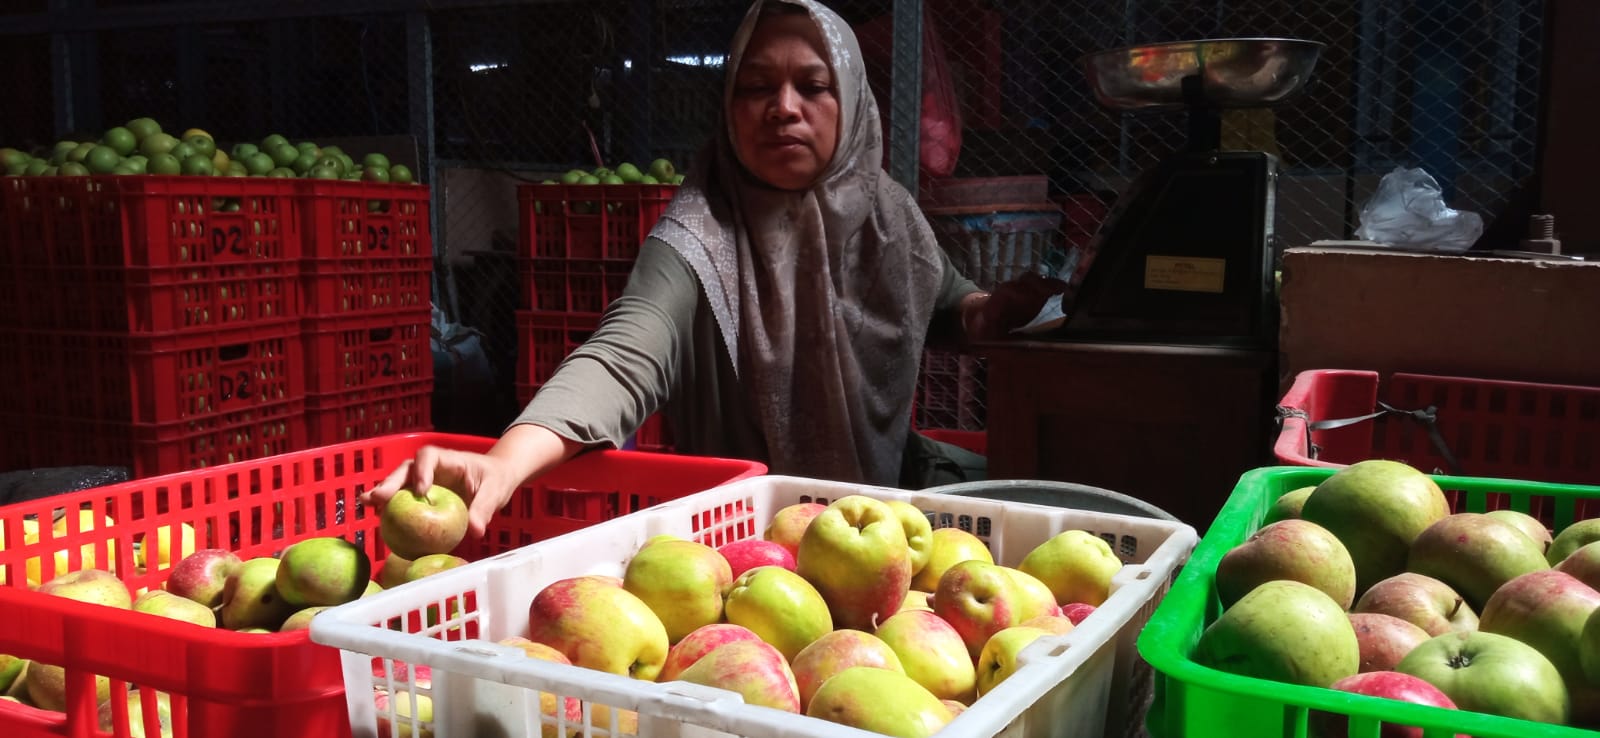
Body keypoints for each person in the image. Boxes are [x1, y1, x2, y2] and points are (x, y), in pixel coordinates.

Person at [365, 0, 1062, 538]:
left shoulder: (890, 215)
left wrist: (987, 313)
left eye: (812, 86)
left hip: (887, 517)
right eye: (756, 87)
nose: (783, 108)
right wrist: (505, 460)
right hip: (744, 537)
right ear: (728, 108)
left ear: (851, 103)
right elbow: (624, 352)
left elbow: (945, 301)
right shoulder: (700, 233)